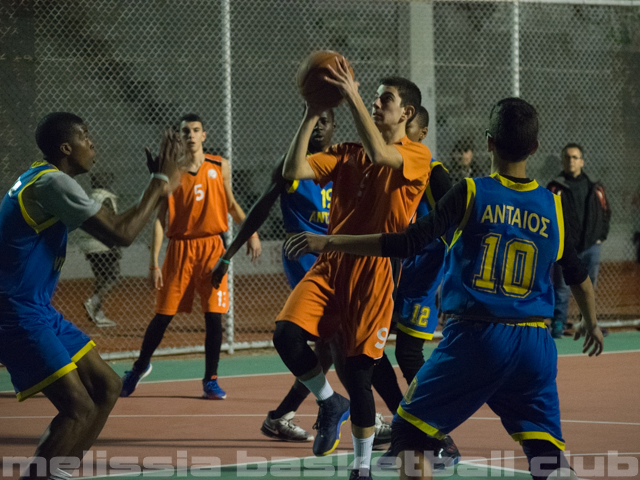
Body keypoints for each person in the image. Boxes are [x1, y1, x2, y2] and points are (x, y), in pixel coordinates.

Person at [285, 97, 605, 480]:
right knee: (546, 454)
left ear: (489, 142)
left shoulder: (472, 192)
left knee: (408, 432)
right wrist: (592, 322)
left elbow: (406, 242)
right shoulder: (554, 206)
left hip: (478, 335)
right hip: (535, 345)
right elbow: (578, 275)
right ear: (535, 147)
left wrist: (330, 241)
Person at [0, 112, 183, 480]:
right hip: (15, 311)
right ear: (66, 148)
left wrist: (157, 185)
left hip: (35, 307)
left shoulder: (39, 177)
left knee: (107, 386)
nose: (92, 143)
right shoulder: (52, 183)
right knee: (78, 407)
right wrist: (159, 182)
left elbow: (120, 225)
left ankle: (58, 473)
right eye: (85, 136)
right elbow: (121, 233)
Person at [274, 61, 431, 480]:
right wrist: (310, 114)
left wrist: (353, 93)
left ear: (407, 113)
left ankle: (361, 467)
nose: (377, 104)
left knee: (360, 372)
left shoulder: (417, 156)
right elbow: (292, 171)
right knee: (286, 335)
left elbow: (382, 153)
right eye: (374, 98)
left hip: (374, 273)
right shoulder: (346, 153)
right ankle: (329, 401)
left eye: (385, 100)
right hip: (330, 266)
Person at [211, 110, 399, 447]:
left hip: (340, 256)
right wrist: (228, 254)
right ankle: (362, 414)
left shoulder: (346, 160)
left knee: (328, 344)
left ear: (335, 126)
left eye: (325, 120)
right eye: (314, 118)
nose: (319, 126)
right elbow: (261, 208)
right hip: (305, 256)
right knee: (337, 338)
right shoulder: (293, 165)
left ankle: (285, 414)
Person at [120, 113, 261, 400]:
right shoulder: (172, 172)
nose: (191, 135)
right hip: (179, 250)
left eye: (196, 130)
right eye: (186, 131)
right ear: (181, 138)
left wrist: (252, 233)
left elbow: (231, 204)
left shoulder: (220, 166)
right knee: (163, 316)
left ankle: (211, 379)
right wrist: (153, 262)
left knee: (214, 317)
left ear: (204, 135)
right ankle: (139, 367)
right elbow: (160, 220)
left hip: (212, 249)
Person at [393, 105, 460, 467]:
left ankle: (437, 433)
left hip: (420, 279)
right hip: (388, 275)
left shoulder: (434, 174)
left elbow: (455, 228)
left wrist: (447, 278)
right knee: (356, 349)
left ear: (421, 134)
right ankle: (404, 426)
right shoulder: (390, 167)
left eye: (407, 129)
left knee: (408, 354)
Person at [547, 143, 611, 338]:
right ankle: (558, 324)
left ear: (582, 161)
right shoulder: (555, 187)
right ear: (563, 161)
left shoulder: (595, 187)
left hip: (591, 246)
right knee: (562, 287)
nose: (571, 161)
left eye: (575, 157)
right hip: (566, 248)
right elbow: (548, 215)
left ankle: (588, 324)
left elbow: (606, 212)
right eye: (567, 157)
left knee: (588, 286)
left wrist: (600, 236)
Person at [77, 172, 121, 328]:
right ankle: (93, 302)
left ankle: (97, 313)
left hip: (89, 245)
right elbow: (110, 223)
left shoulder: (90, 197)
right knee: (114, 276)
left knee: (101, 278)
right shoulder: (105, 198)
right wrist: (115, 245)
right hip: (103, 244)